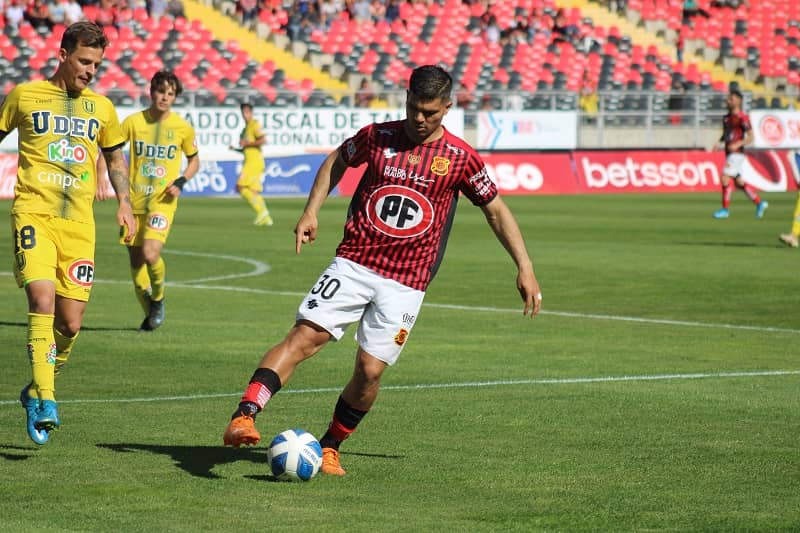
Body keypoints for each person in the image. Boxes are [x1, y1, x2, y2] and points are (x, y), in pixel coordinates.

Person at [222, 65, 542, 476]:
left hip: (407, 281)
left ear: (447, 107)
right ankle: (245, 415)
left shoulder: (460, 159)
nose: (420, 118)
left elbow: (495, 211)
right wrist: (311, 211)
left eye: (430, 111)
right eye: (413, 108)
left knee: (370, 370)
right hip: (355, 261)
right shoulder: (378, 137)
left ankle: (331, 444)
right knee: (305, 337)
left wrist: (525, 266)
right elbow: (338, 159)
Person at [0, 21, 136, 445]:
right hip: (33, 214)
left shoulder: (102, 109)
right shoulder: (25, 96)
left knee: (71, 324)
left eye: (96, 64)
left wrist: (125, 203)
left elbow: (115, 158)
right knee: (41, 299)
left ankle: (36, 385)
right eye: (83, 61)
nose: (90, 71)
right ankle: (45, 398)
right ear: (62, 56)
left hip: (79, 225)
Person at [120, 70, 199, 331]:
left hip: (162, 201)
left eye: (170, 93)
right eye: (161, 91)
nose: (164, 97)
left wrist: (180, 181)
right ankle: (150, 311)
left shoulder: (182, 128)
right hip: (133, 202)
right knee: (135, 261)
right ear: (151, 91)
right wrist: (101, 175)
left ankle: (159, 297)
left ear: (175, 97)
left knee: (150, 253)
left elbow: (195, 160)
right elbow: (111, 150)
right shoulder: (132, 122)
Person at [711, 89, 768, 219]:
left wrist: (737, 144)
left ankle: (725, 210)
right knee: (738, 183)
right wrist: (719, 142)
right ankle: (759, 203)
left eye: (731, 99)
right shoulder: (726, 118)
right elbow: (726, 134)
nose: (728, 101)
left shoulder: (742, 117)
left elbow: (751, 137)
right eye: (728, 99)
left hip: (737, 153)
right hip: (729, 153)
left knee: (725, 178)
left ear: (739, 101)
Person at [228, 102, 272, 226]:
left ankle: (262, 212)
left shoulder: (254, 124)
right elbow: (246, 148)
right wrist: (235, 149)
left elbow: (263, 140)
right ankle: (266, 218)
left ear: (251, 113)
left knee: (240, 186)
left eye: (247, 112)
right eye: (243, 112)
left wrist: (247, 144)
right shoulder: (245, 129)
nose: (245, 114)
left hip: (254, 162)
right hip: (249, 161)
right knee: (253, 191)